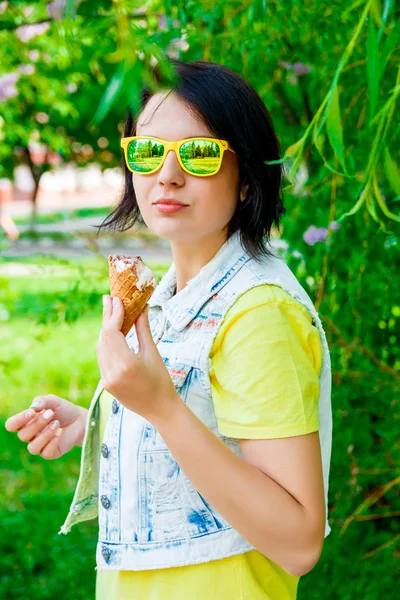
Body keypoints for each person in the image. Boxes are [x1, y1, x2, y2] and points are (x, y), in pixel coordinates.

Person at [5, 59, 332, 600]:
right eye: (149, 150)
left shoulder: (257, 313)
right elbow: (207, 425)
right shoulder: (174, 292)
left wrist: (158, 408)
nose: (168, 175)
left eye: (200, 154)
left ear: (247, 176)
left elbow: (298, 542)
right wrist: (104, 422)